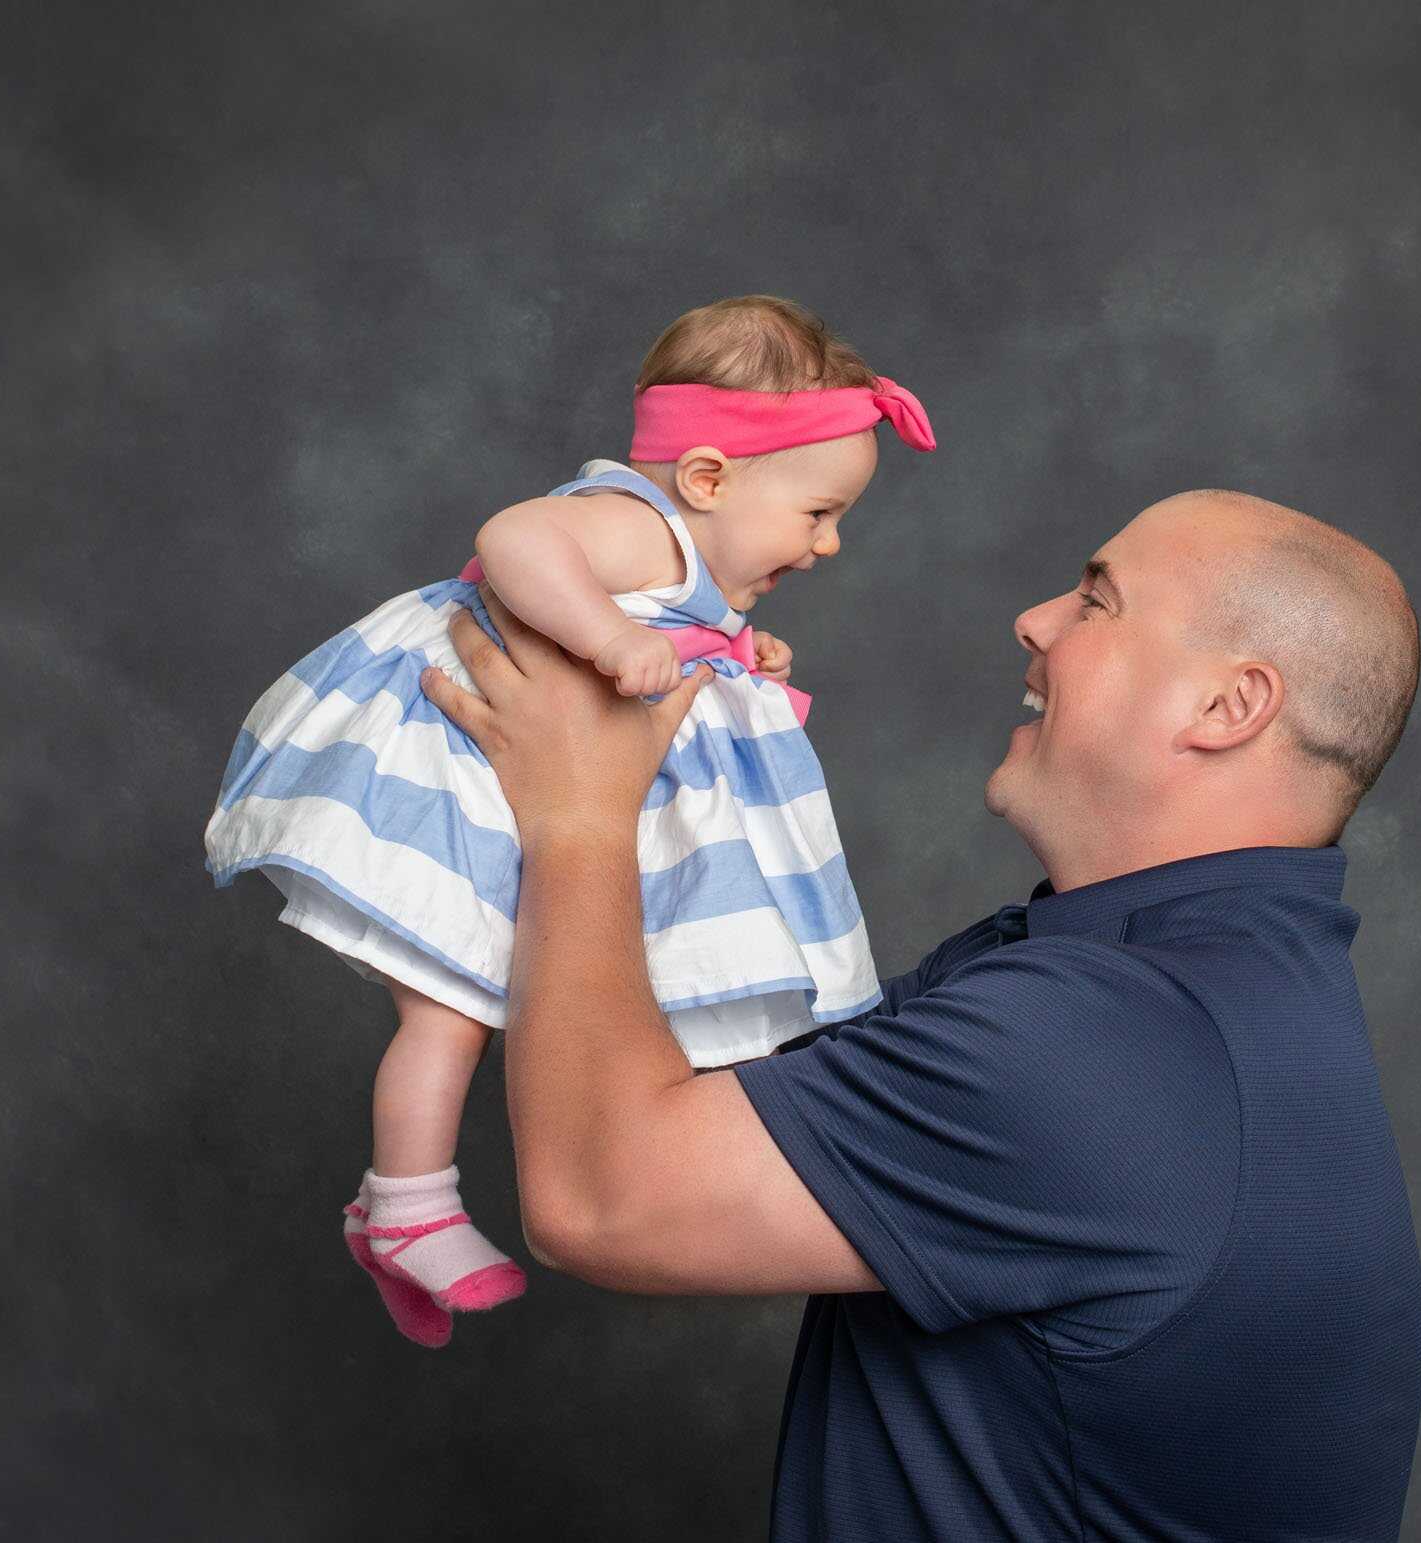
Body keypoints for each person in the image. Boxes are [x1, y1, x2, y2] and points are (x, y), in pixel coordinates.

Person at [418, 486, 1421, 1539]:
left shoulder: (1107, 1037)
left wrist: (579, 813)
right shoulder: (1178, 987)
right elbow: (699, 1080)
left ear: (1228, 706)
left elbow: (602, 1190)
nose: (1034, 620)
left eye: (1096, 600)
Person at [201, 296, 936, 1346]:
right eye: (817, 513)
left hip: (544, 793)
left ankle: (404, 1207)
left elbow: (680, 634)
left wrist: (737, 649)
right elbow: (514, 536)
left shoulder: (686, 560)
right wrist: (605, 634)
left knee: (523, 1005)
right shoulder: (633, 524)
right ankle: (407, 1202)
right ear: (709, 480)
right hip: (461, 773)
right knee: (448, 1008)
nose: (828, 546)